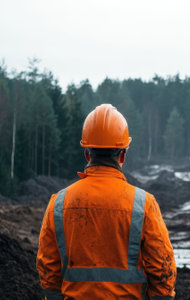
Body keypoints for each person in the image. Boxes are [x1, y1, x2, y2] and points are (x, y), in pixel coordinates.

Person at [36, 104, 176, 299]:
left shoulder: (59, 204)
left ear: (87, 153)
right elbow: (162, 268)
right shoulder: (143, 204)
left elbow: (48, 268)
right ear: (123, 155)